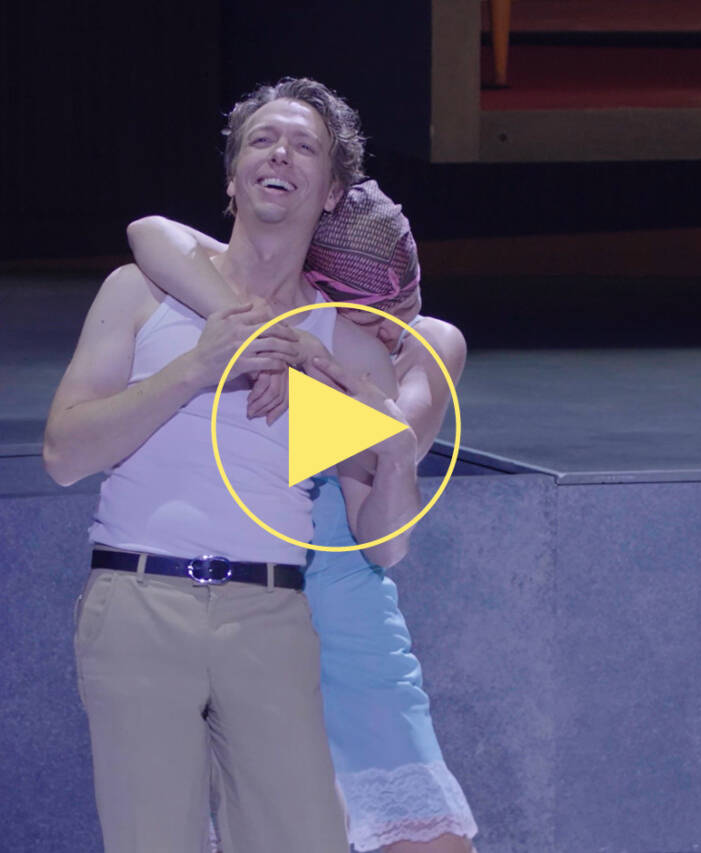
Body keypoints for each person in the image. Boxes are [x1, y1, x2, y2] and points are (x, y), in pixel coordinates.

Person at [43, 78, 423, 853]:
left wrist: (394, 451)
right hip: (139, 596)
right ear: (231, 177)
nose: (280, 153)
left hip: (270, 615)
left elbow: (383, 543)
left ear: (332, 192)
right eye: (262, 140)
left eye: (304, 146)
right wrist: (196, 367)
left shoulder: (343, 343)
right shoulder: (143, 290)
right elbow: (62, 454)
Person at [127, 179, 476, 852]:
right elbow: (150, 232)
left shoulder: (434, 343)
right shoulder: (282, 318)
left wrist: (307, 366)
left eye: (398, 311)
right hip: (252, 611)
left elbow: (384, 451)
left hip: (351, 619)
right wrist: (283, 337)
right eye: (367, 318)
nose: (386, 334)